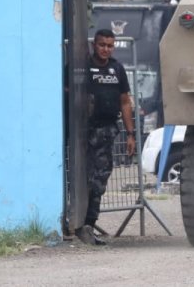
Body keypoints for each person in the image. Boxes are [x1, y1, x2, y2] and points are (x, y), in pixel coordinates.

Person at [76, 28, 136, 245]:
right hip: (82, 132)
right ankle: (78, 224)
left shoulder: (116, 69)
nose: (106, 49)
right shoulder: (82, 68)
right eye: (102, 45)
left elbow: (125, 102)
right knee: (81, 178)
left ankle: (89, 225)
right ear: (94, 44)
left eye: (110, 46)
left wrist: (131, 134)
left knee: (100, 178)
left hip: (106, 131)